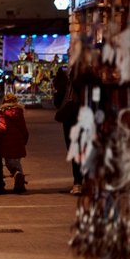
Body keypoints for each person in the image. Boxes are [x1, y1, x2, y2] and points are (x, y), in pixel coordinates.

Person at [0, 93, 30, 193]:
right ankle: (20, 186)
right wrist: (24, 140)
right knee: (17, 162)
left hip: (7, 143)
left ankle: (16, 174)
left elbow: (2, 128)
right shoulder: (19, 112)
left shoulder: (3, 112)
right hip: (18, 142)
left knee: (10, 164)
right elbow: (24, 129)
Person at [53, 67, 82, 195]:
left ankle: (78, 183)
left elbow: (58, 101)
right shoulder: (92, 78)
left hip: (71, 120)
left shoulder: (66, 79)